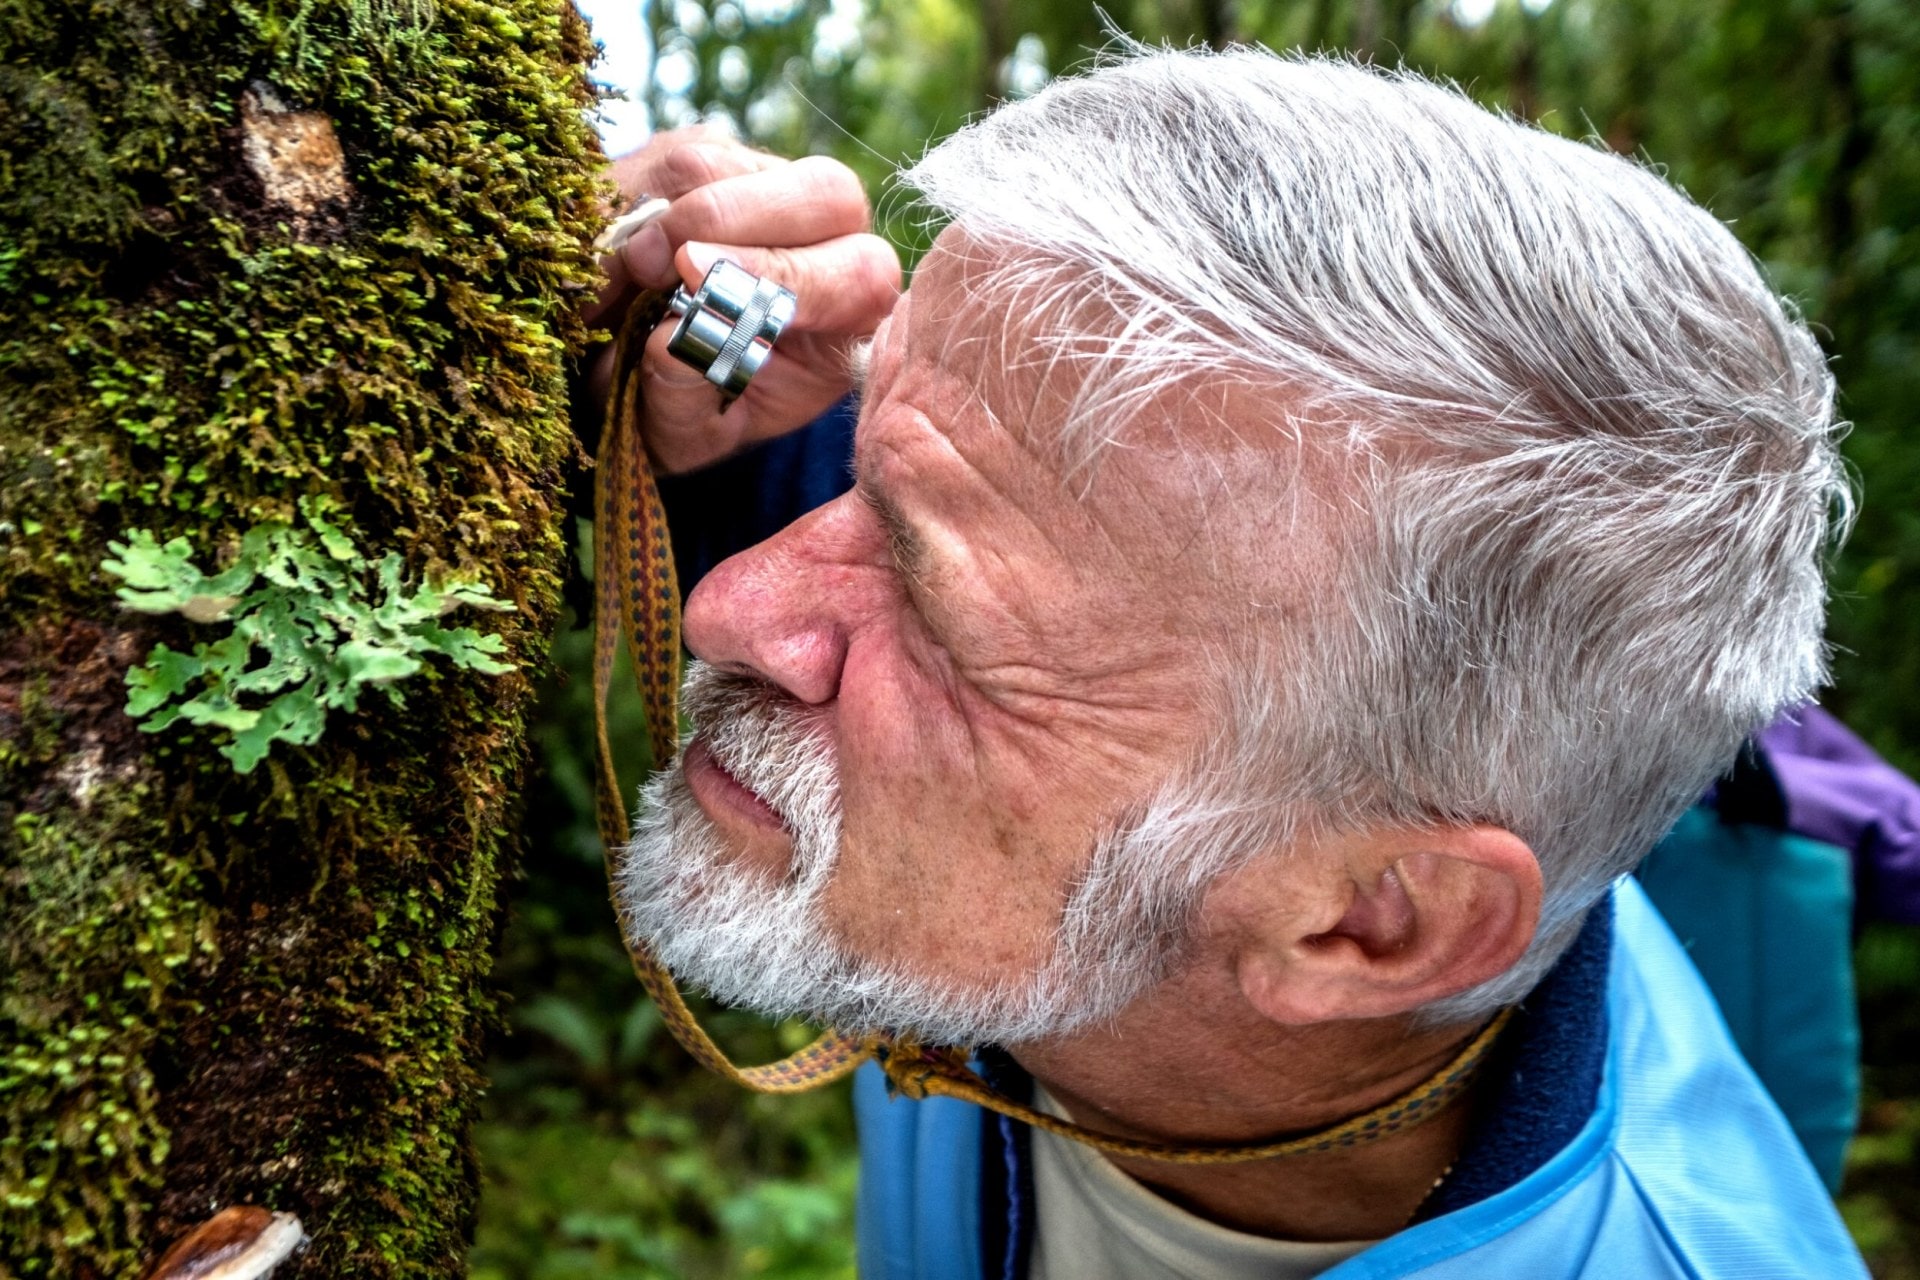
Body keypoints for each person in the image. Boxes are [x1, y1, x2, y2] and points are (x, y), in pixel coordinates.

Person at [590, 49, 1871, 1279]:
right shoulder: (1212, 692)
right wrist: (705, 373)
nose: (729, 606)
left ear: (1370, 923)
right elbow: (925, 500)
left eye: (943, 621)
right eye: (867, 463)